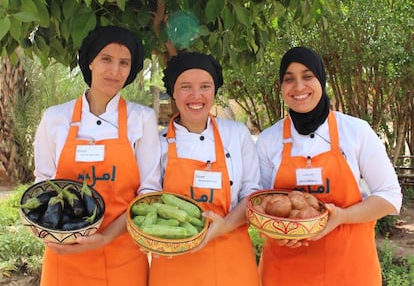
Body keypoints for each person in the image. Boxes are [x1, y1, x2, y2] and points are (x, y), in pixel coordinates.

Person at [256, 46, 403, 286]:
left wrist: (343, 216)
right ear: (281, 87)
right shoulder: (268, 140)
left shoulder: (355, 131)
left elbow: (390, 196)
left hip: (349, 268)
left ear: (321, 80)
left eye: (307, 76)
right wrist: (274, 231)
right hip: (286, 271)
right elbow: (258, 204)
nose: (299, 87)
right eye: (289, 79)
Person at [33, 25, 161, 286]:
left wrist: (106, 237)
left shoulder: (142, 119)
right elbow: (42, 184)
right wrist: (47, 234)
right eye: (106, 59)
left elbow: (149, 192)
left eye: (124, 62)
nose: (114, 71)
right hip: (64, 253)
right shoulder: (56, 118)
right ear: (90, 61)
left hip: (123, 255)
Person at [141, 52, 261, 286]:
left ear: (214, 91)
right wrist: (153, 236)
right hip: (173, 257)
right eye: (186, 87)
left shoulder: (236, 135)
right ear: (173, 93)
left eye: (205, 86)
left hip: (231, 258)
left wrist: (224, 225)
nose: (196, 96)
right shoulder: (158, 141)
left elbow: (251, 193)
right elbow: (148, 194)